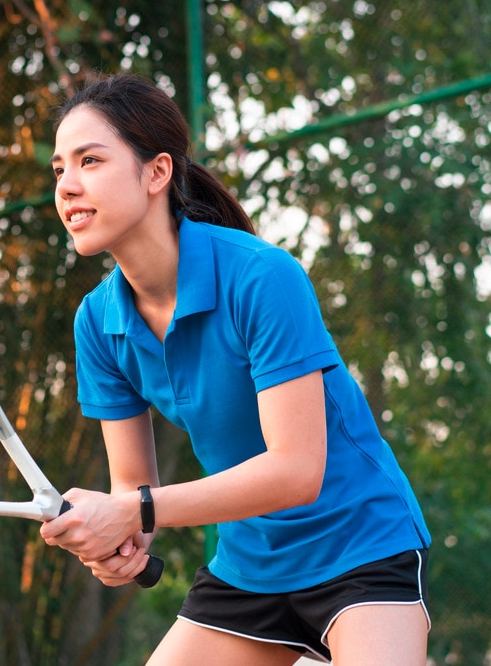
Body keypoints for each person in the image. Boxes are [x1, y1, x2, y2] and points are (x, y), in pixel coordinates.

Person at [39, 73, 431, 665]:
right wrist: (120, 539)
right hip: (249, 568)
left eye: (89, 160)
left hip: (363, 547)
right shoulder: (97, 322)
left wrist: (134, 510)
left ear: (157, 172)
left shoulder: (262, 277)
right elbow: (133, 487)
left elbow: (297, 470)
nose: (67, 185)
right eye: (59, 170)